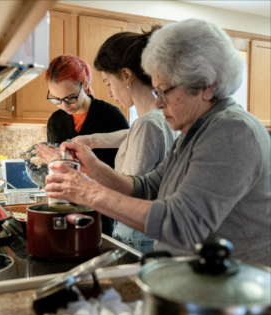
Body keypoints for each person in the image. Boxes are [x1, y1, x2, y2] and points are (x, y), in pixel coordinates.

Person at [43, 19, 271, 266]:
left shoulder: (232, 131)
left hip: (229, 295)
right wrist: (94, 170)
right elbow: (148, 188)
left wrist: (87, 191)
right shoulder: (194, 132)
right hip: (194, 285)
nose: (159, 103)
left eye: (165, 91)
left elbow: (181, 223)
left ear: (207, 85)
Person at [45, 54, 130, 236]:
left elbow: (126, 173)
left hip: (104, 212)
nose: (64, 106)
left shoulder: (110, 116)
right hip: (66, 209)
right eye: (56, 99)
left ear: (84, 84)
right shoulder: (55, 121)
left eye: (69, 98)